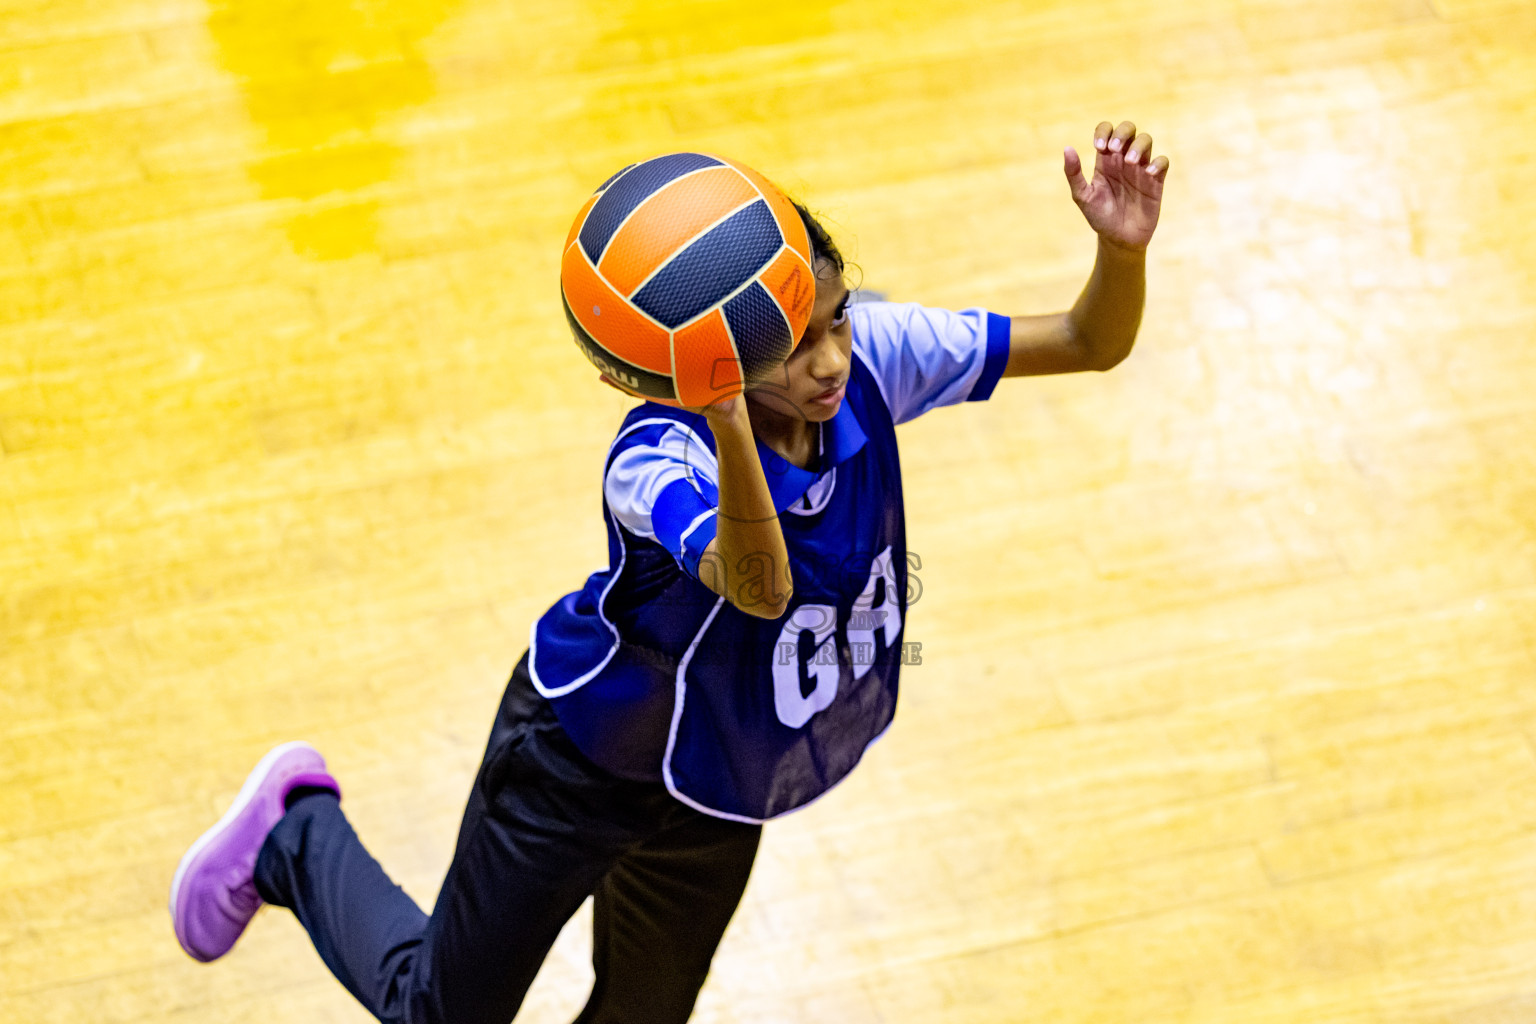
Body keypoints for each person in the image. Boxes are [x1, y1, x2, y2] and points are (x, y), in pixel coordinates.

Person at [171, 119, 1168, 1024]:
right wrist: (730, 415)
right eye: (785, 348)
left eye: (831, 318)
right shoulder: (657, 458)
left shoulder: (870, 357)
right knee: (444, 1013)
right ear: (698, 369)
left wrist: (1119, 251)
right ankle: (291, 833)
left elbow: (1087, 341)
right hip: (579, 761)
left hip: (714, 782)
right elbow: (760, 586)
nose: (826, 361)